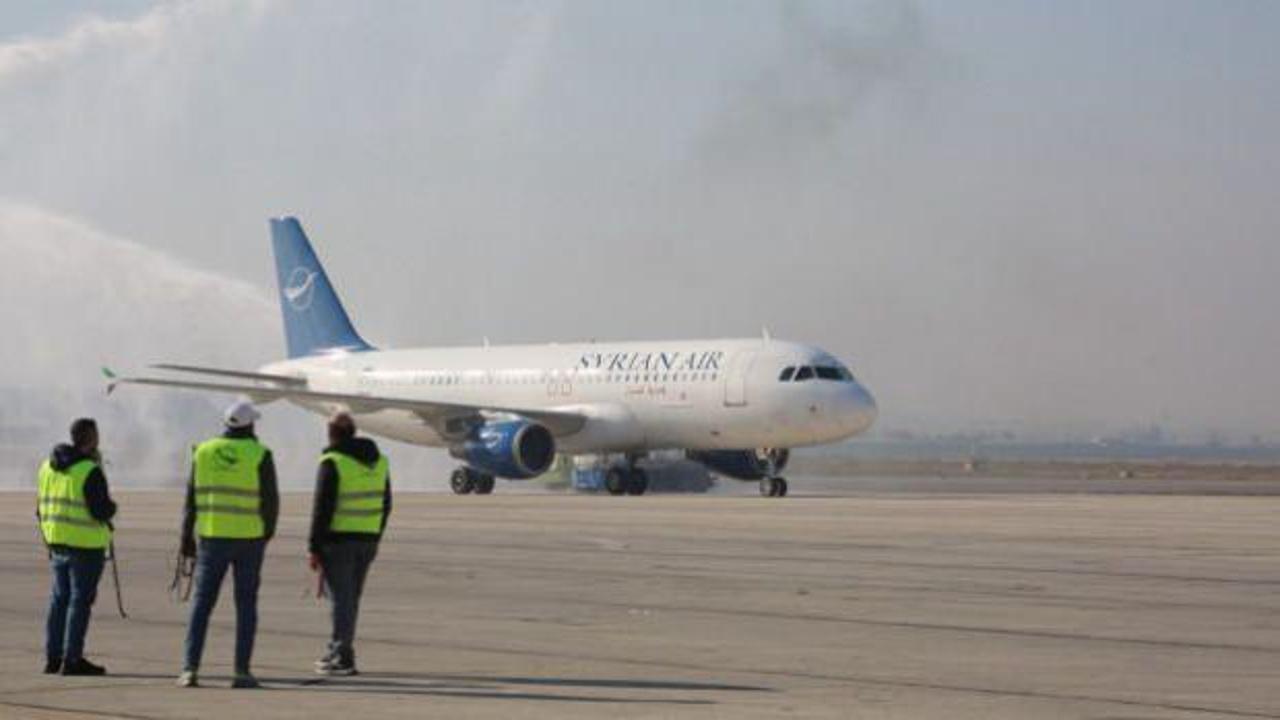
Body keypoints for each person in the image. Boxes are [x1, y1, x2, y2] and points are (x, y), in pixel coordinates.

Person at [177, 401, 279, 689]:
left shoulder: (203, 452)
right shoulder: (260, 454)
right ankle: (241, 672)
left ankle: (189, 669)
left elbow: (190, 499)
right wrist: (265, 534)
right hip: (249, 540)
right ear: (250, 425)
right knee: (246, 606)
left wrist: (186, 537)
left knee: (201, 604)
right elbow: (271, 502)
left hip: (212, 538)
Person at [309, 412, 391, 676]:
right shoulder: (379, 461)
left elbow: (322, 508)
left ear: (331, 433)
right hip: (367, 540)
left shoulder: (332, 461)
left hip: (339, 540)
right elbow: (387, 503)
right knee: (350, 599)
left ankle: (341, 655)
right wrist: (376, 533)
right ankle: (342, 650)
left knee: (341, 600)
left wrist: (314, 546)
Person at [37, 418, 117, 676]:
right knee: (79, 602)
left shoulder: (47, 468)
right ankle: (72, 659)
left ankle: (53, 657)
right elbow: (101, 510)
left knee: (59, 600)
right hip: (85, 547)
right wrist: (112, 508)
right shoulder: (88, 470)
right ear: (91, 438)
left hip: (58, 543)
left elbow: (40, 508)